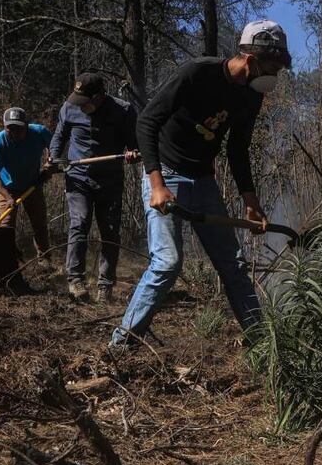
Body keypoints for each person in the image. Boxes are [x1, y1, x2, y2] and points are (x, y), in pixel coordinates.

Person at [110, 20, 292, 348]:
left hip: (203, 180)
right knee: (167, 262)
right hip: (165, 173)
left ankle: (263, 347)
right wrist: (157, 184)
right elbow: (147, 122)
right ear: (250, 61)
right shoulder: (196, 73)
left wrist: (251, 202)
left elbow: (237, 150)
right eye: (272, 68)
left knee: (232, 265)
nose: (275, 76)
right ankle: (122, 344)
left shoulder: (252, 96)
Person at [49, 73, 140, 303]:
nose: (80, 105)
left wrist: (132, 153)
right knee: (79, 223)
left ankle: (105, 284)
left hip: (110, 180)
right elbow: (59, 136)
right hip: (78, 177)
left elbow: (135, 145)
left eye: (85, 101)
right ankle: (75, 280)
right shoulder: (69, 108)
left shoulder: (124, 110)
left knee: (109, 231)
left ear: (99, 97)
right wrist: (53, 158)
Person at [0, 107, 53, 285]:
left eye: (18, 128)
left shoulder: (39, 133)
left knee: (39, 223)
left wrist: (49, 166)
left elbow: (55, 147)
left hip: (32, 185)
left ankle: (45, 261)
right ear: (5, 127)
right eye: (10, 128)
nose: (14, 132)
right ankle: (7, 264)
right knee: (6, 228)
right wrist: (7, 196)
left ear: (27, 126)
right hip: (7, 188)